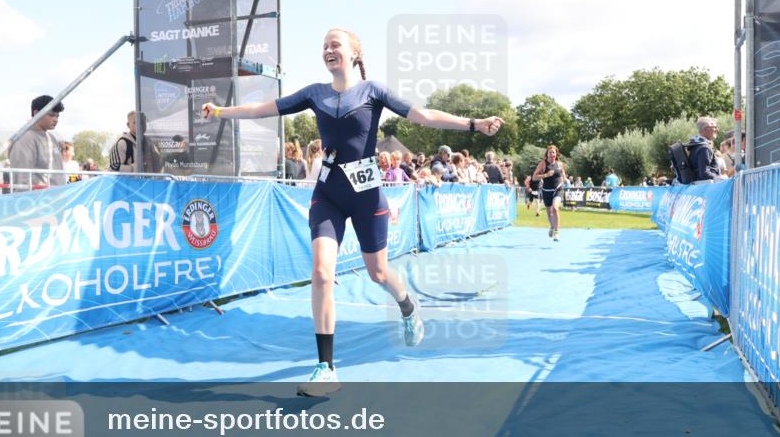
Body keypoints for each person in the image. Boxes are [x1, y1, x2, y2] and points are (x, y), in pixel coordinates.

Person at [202, 28, 503, 396]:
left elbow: (423, 116)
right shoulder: (315, 94)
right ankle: (325, 368)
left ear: (354, 53)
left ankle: (408, 305)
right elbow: (263, 109)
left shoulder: (373, 91)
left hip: (366, 197)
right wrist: (221, 111)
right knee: (321, 273)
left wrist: (473, 124)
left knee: (377, 272)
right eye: (324, 45)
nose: (328, 49)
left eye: (335, 44)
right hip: (328, 195)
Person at [9, 95, 66, 190]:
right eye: (51, 115)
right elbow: (21, 178)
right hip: (38, 200)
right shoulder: (25, 139)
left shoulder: (52, 138)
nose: (55, 119)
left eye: (57, 116)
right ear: (36, 113)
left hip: (57, 197)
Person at [533, 144, 567, 241]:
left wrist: (564, 180)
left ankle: (556, 232)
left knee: (555, 209)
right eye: (550, 152)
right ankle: (552, 226)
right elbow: (534, 177)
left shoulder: (559, 164)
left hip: (558, 189)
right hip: (546, 190)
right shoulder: (543, 164)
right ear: (547, 154)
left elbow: (563, 175)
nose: (552, 154)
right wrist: (546, 175)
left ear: (556, 154)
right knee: (549, 213)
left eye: (554, 152)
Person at [688, 116, 726, 182]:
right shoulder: (704, 148)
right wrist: (719, 177)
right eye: (714, 127)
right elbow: (704, 173)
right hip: (705, 187)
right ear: (705, 129)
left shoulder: (696, 145)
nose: (717, 130)